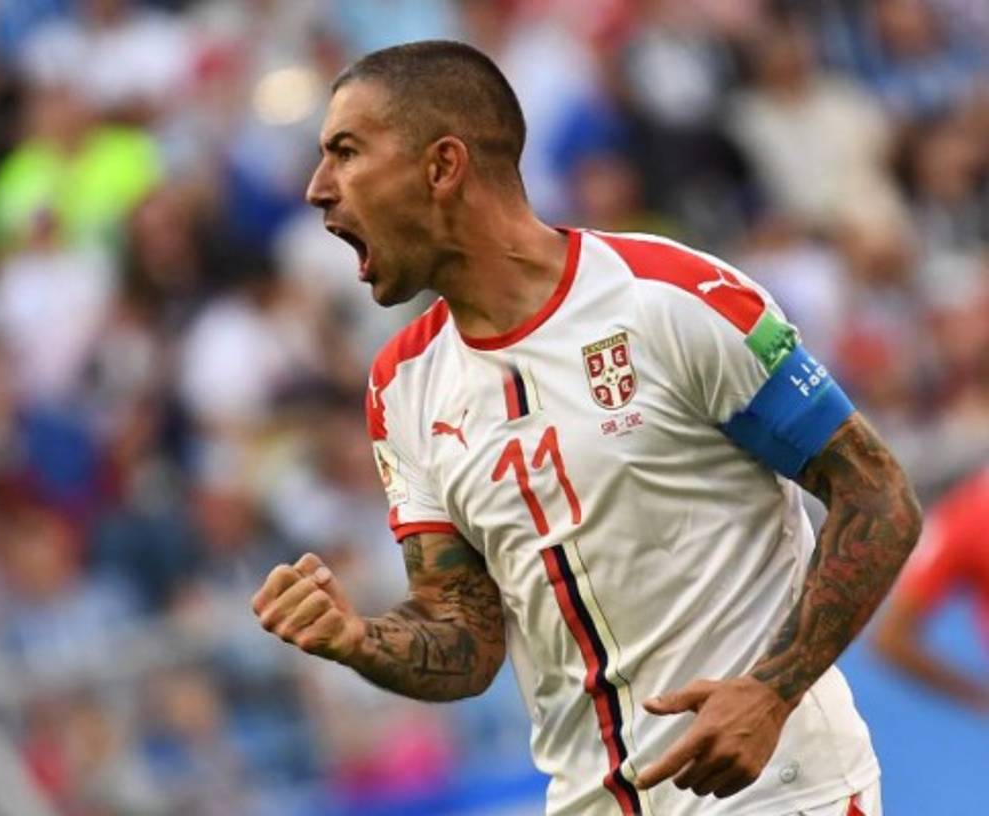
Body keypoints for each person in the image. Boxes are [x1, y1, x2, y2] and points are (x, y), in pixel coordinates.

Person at [251, 40, 921, 815]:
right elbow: (463, 639)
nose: (316, 189)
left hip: (776, 794)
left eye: (345, 152)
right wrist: (357, 638)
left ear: (441, 167)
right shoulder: (400, 386)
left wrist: (771, 694)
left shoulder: (671, 300)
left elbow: (879, 496)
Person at [874, 467, 989, 710]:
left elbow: (890, 637)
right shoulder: (968, 515)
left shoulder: (966, 512)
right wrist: (976, 695)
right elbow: (891, 637)